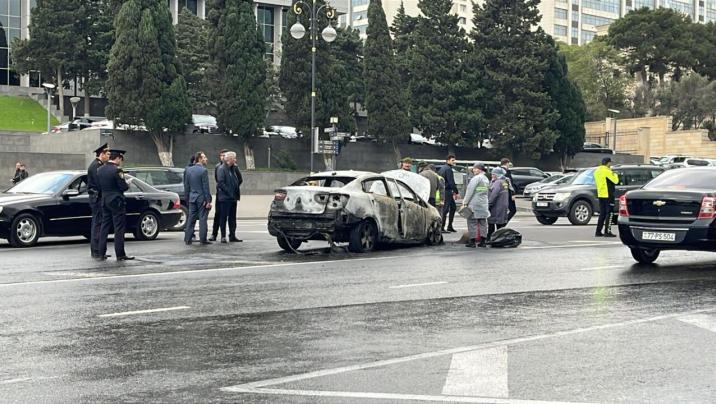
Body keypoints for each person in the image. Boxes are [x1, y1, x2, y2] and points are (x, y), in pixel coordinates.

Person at [97, 149, 134, 261]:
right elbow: (123, 187)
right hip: (116, 201)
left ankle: (101, 252)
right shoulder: (117, 170)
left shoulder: (100, 169)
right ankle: (120, 254)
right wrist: (128, 183)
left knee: (104, 226)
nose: (120, 162)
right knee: (119, 227)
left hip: (105, 200)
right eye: (120, 160)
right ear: (118, 158)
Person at [183, 151, 213, 245]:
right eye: (204, 157)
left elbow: (186, 186)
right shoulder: (203, 170)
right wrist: (208, 201)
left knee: (191, 219)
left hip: (192, 198)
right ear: (199, 159)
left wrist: (187, 198)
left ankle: (187, 239)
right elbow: (205, 187)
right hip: (201, 198)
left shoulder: (188, 170)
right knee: (203, 219)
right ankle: (203, 239)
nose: (206, 159)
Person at [87, 143, 110, 258]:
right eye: (107, 154)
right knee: (98, 225)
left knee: (98, 224)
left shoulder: (97, 165)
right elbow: (99, 183)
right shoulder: (96, 166)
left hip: (96, 197)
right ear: (102, 154)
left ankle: (99, 250)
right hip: (97, 198)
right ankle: (96, 251)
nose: (108, 156)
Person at [462, 163, 490, 248]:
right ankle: (483, 241)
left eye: (475, 168)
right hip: (483, 203)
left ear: (479, 169)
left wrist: (465, 202)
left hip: (474, 203)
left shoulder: (476, 178)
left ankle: (472, 242)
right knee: (483, 222)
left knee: (472, 222)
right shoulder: (486, 179)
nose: (473, 170)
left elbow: (470, 191)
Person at [216, 151, 240, 243]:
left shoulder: (233, 168)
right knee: (223, 217)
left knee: (232, 218)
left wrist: (235, 189)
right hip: (225, 198)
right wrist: (229, 192)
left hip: (233, 198)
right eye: (234, 158)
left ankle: (232, 235)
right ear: (230, 159)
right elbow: (221, 183)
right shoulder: (222, 169)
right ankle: (223, 236)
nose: (235, 160)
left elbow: (238, 179)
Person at [594, 157, 619, 237]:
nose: (610, 164)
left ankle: (598, 231)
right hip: (608, 194)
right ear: (608, 163)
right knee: (610, 213)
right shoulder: (607, 171)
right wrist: (615, 174)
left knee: (602, 213)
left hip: (601, 194)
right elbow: (616, 181)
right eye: (610, 163)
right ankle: (607, 231)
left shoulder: (597, 171)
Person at [210, 149, 228, 241]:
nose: (222, 157)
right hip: (220, 193)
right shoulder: (218, 167)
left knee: (225, 216)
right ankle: (214, 234)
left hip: (228, 195)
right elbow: (218, 180)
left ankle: (224, 235)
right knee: (217, 214)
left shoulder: (231, 166)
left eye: (224, 155)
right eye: (221, 155)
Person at [487, 166, 510, 241]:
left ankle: (491, 238)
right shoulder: (504, 182)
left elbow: (494, 194)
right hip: (503, 205)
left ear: (498, 175)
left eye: (494, 174)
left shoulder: (497, 182)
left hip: (496, 206)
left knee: (492, 223)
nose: (492, 175)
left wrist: (489, 204)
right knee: (500, 224)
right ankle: (500, 238)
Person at [438, 155, 459, 232]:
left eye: (454, 160)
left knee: (452, 207)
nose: (454, 162)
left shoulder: (442, 168)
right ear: (448, 160)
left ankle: (449, 226)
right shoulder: (448, 169)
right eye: (452, 160)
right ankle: (442, 227)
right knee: (446, 209)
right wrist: (456, 192)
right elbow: (451, 182)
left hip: (443, 190)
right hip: (447, 191)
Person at [500, 157, 517, 222]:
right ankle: (504, 222)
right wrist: (513, 194)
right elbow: (510, 184)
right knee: (513, 210)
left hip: (501, 193)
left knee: (502, 210)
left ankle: (502, 222)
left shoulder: (498, 171)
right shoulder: (506, 172)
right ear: (507, 163)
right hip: (508, 193)